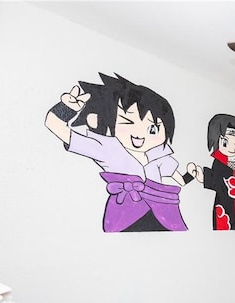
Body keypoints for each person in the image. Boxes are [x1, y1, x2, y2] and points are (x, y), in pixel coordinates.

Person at [44, 73, 198, 232]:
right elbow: (54, 125)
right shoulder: (107, 148)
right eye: (127, 122)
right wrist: (66, 109)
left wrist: (191, 175)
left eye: (152, 129)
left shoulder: (158, 154)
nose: (139, 134)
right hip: (126, 213)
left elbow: (178, 179)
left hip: (163, 210)